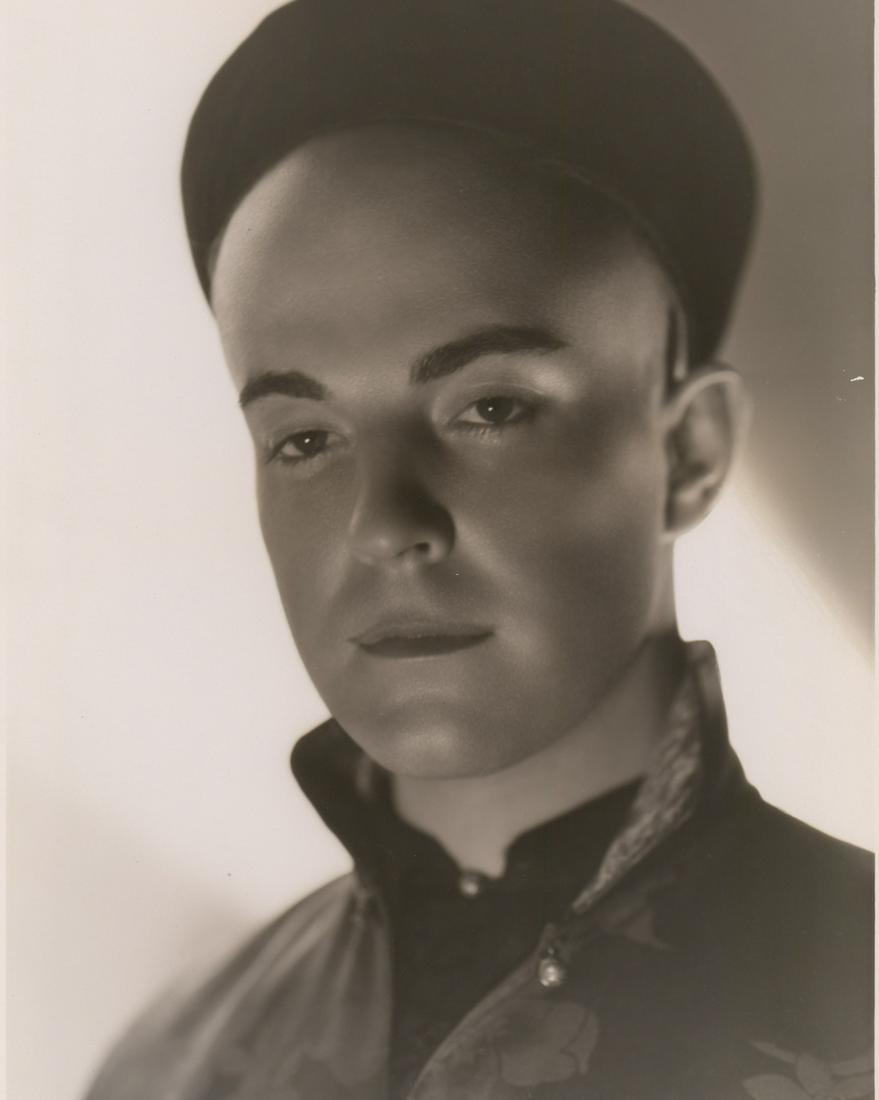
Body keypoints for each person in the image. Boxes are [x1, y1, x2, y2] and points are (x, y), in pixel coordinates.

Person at [83, 0, 873, 1097]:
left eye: (490, 408)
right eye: (304, 437)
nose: (386, 522)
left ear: (688, 449)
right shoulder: (170, 1066)